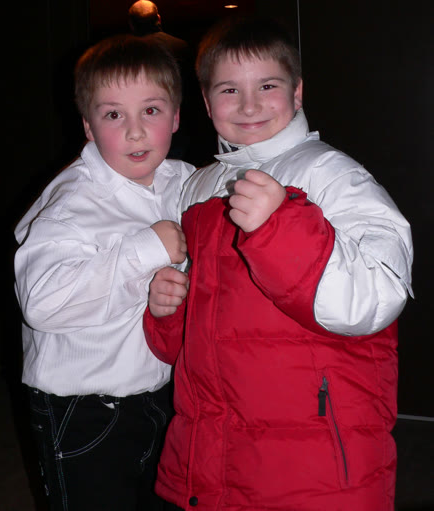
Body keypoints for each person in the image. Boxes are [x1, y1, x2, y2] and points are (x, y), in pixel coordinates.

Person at [143, 16, 414, 511]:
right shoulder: (197, 188)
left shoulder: (334, 175)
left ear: (297, 92)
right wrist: (166, 309)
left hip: (317, 469)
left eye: (267, 85)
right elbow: (189, 342)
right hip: (210, 461)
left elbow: (377, 298)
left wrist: (278, 228)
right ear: (206, 101)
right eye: (229, 90)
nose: (249, 105)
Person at [13, 34, 194, 511]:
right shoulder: (71, 203)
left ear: (176, 116)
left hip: (160, 393)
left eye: (150, 110)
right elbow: (41, 303)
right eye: (114, 115)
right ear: (89, 127)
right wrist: (144, 250)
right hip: (83, 410)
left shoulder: (183, 182)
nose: (135, 132)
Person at [128, 0, 196, 161]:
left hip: (142, 125)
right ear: (158, 18)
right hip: (179, 123)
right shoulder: (181, 47)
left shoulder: (127, 53)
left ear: (131, 24)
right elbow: (193, 90)